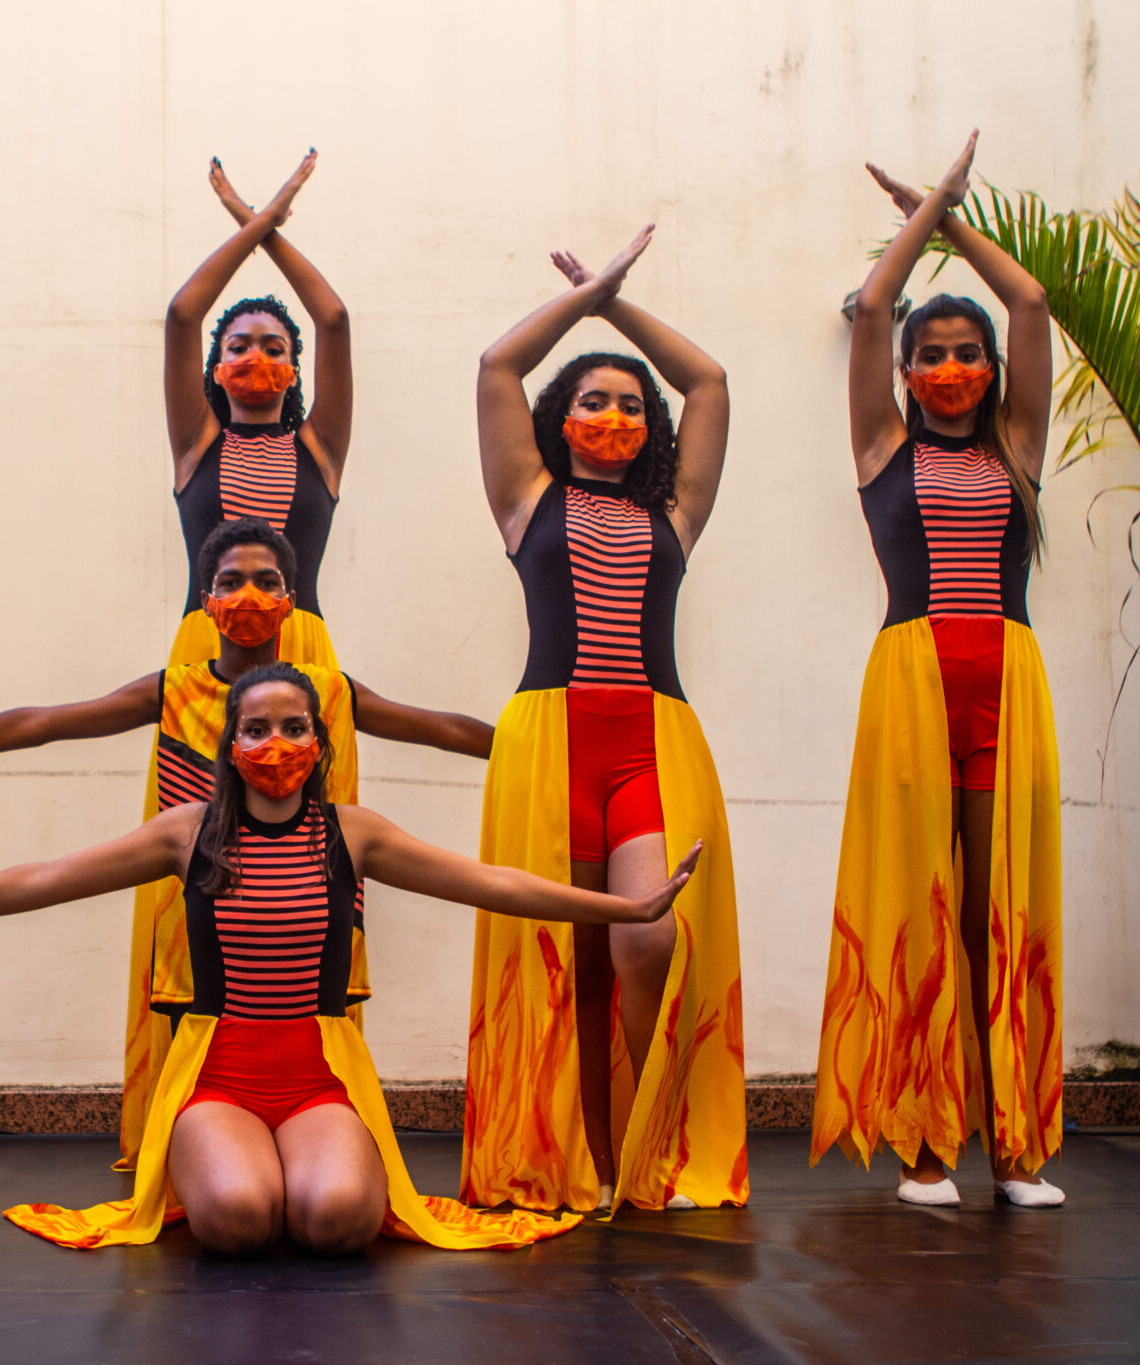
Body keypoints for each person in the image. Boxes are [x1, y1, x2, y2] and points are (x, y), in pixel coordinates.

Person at [0, 663, 703, 1253]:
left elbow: (494, 882)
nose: (276, 743)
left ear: (320, 742)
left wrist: (626, 907)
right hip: (215, 1074)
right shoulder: (186, 833)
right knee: (237, 1218)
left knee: (338, 1220)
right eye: (256, 728)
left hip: (320, 1073)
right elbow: (45, 878)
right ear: (230, 743)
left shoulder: (354, 833)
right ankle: (239, 1167)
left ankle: (300, 1167)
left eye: (295, 727)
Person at [0, 516, 493, 1168]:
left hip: (308, 915)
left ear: (290, 599)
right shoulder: (174, 687)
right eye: (231, 580)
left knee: (317, 1069)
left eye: (266, 581)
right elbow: (41, 723)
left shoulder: (327, 690)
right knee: (204, 1081)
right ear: (206, 599)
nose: (248, 596)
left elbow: (439, 728)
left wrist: (524, 747)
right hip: (197, 918)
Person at [462, 227, 747, 1216]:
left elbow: (707, 382)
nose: (614, 415)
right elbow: (497, 366)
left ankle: (646, 1151)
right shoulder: (525, 499)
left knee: (645, 944)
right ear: (561, 418)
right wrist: (583, 301)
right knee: (565, 958)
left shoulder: (675, 515)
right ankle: (575, 1163)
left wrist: (614, 300)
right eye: (594, 401)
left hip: (650, 744)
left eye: (631, 405)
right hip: (548, 741)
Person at [811, 131, 1064, 1209]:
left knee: (996, 914)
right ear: (906, 373)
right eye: (933, 355)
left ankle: (1015, 1149)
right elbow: (873, 306)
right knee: (923, 908)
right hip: (912, 685)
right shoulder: (882, 447)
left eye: (969, 353)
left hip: (1007, 677)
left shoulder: (1016, 447)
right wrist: (919, 220)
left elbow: (1033, 302)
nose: (951, 368)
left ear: (990, 370)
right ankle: (925, 1146)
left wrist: (955, 214)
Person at [163, 150, 349, 668]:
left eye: (273, 348)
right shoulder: (196, 443)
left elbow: (333, 319)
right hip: (205, 646)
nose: (256, 357)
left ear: (294, 371)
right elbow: (182, 314)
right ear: (217, 368)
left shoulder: (320, 448)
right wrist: (264, 218)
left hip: (300, 650)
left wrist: (259, 223)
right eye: (239, 346)